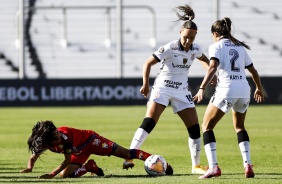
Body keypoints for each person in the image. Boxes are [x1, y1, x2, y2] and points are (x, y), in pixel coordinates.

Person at [123, 5, 216, 175]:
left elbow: (204, 59)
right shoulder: (169, 47)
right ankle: (129, 156)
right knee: (150, 121)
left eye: (192, 38)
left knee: (194, 128)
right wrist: (145, 84)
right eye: (186, 37)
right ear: (181, 32)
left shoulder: (195, 49)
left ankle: (195, 166)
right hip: (162, 88)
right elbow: (148, 63)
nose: (188, 41)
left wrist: (210, 72)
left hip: (181, 91)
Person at [193, 17, 264, 179]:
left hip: (227, 89)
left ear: (215, 33)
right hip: (244, 90)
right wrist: (259, 89)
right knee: (239, 127)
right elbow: (253, 71)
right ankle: (247, 164)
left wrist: (202, 87)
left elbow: (212, 67)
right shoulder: (240, 47)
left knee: (207, 127)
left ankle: (213, 167)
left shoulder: (216, 46)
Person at [21, 120, 173, 179]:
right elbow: (33, 156)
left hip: (92, 141)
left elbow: (67, 160)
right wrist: (29, 168)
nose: (58, 136)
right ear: (47, 141)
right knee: (65, 176)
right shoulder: (43, 142)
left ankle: (160, 163)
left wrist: (51, 174)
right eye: (54, 136)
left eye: (57, 132)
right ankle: (89, 167)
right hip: (79, 151)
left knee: (126, 154)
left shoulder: (65, 137)